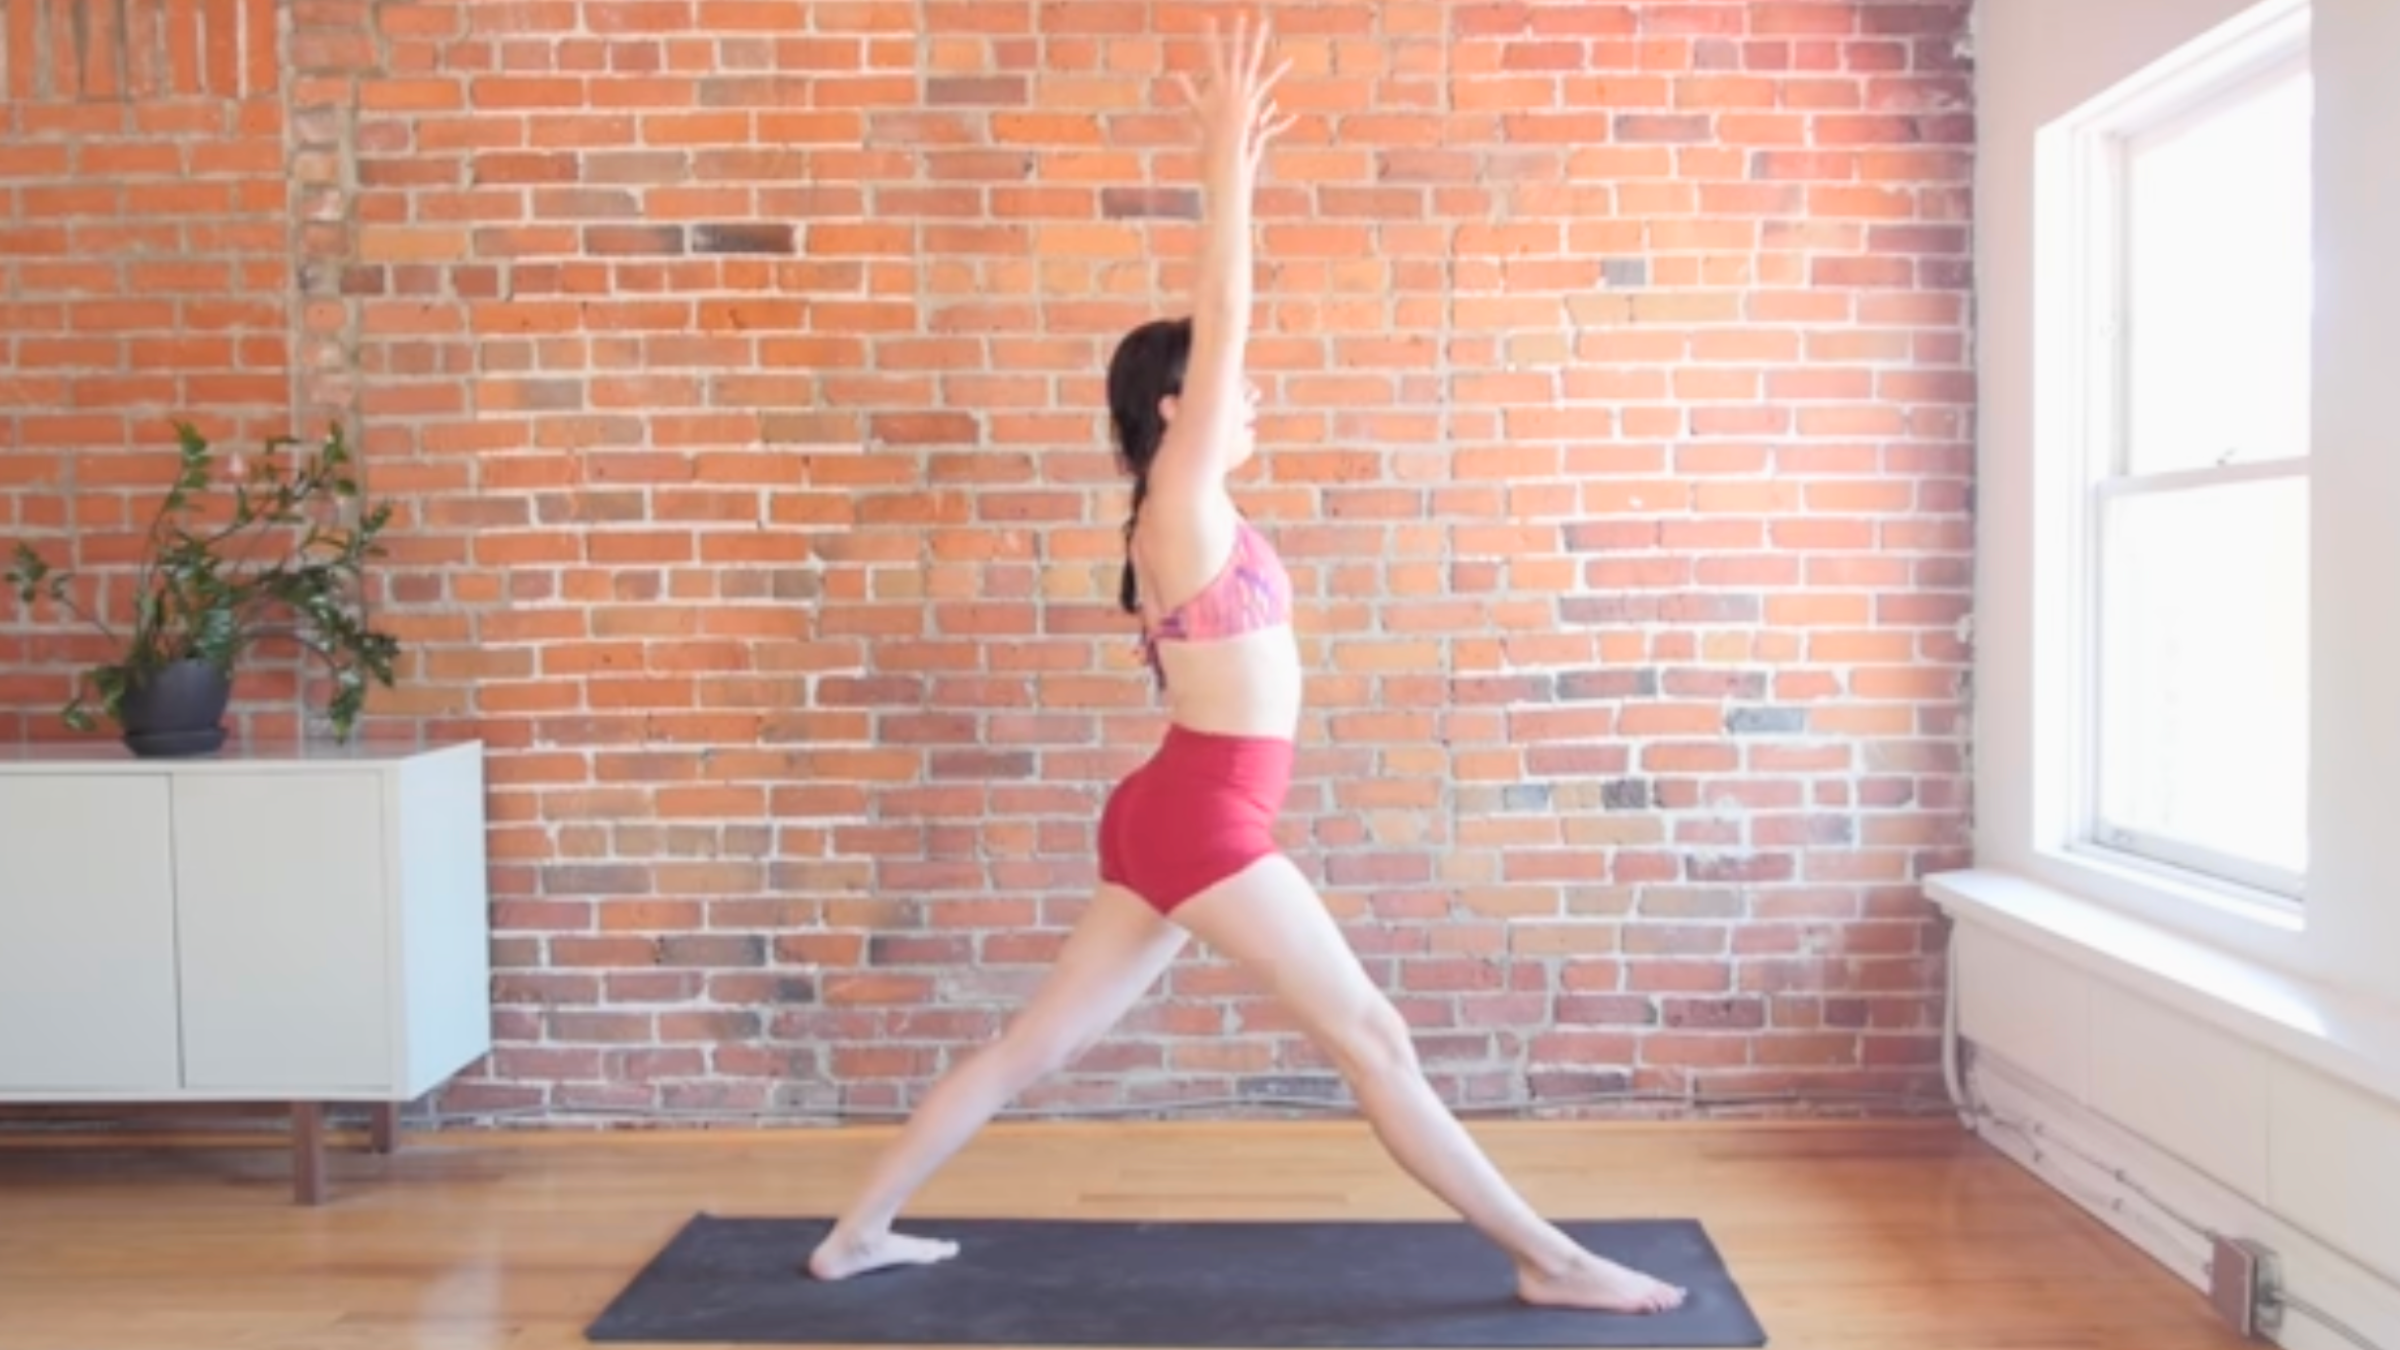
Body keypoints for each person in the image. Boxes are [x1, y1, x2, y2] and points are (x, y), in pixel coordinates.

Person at [803, 13, 1686, 1317]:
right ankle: (1548, 1258)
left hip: (1179, 807)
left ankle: (855, 1231)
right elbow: (1228, 308)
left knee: (1028, 1046)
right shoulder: (1182, 494)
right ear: (1180, 403)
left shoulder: (1189, 511)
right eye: (1228, 385)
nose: (1250, 394)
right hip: (1205, 817)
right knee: (1373, 1036)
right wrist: (1229, 164)